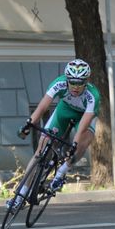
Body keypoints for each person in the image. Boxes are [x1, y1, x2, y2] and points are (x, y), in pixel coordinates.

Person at [12, 59, 100, 204]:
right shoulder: (59, 83)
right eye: (72, 82)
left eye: (80, 83)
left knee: (84, 141)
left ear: (86, 81)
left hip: (83, 116)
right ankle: (20, 195)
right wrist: (29, 124)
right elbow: (42, 107)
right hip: (64, 111)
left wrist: (75, 144)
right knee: (39, 152)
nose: (76, 87)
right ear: (67, 80)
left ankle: (62, 171)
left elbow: (84, 125)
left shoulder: (93, 95)